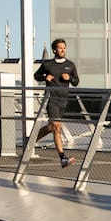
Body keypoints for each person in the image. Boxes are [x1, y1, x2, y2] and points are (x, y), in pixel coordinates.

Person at [32, 38, 80, 167]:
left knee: (51, 127)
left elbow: (76, 82)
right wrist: (44, 77)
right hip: (51, 99)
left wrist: (69, 78)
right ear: (54, 50)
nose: (63, 50)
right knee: (57, 127)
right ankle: (63, 158)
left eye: (64, 47)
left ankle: (29, 142)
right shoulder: (48, 64)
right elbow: (36, 76)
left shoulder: (70, 65)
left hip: (63, 100)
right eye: (60, 48)